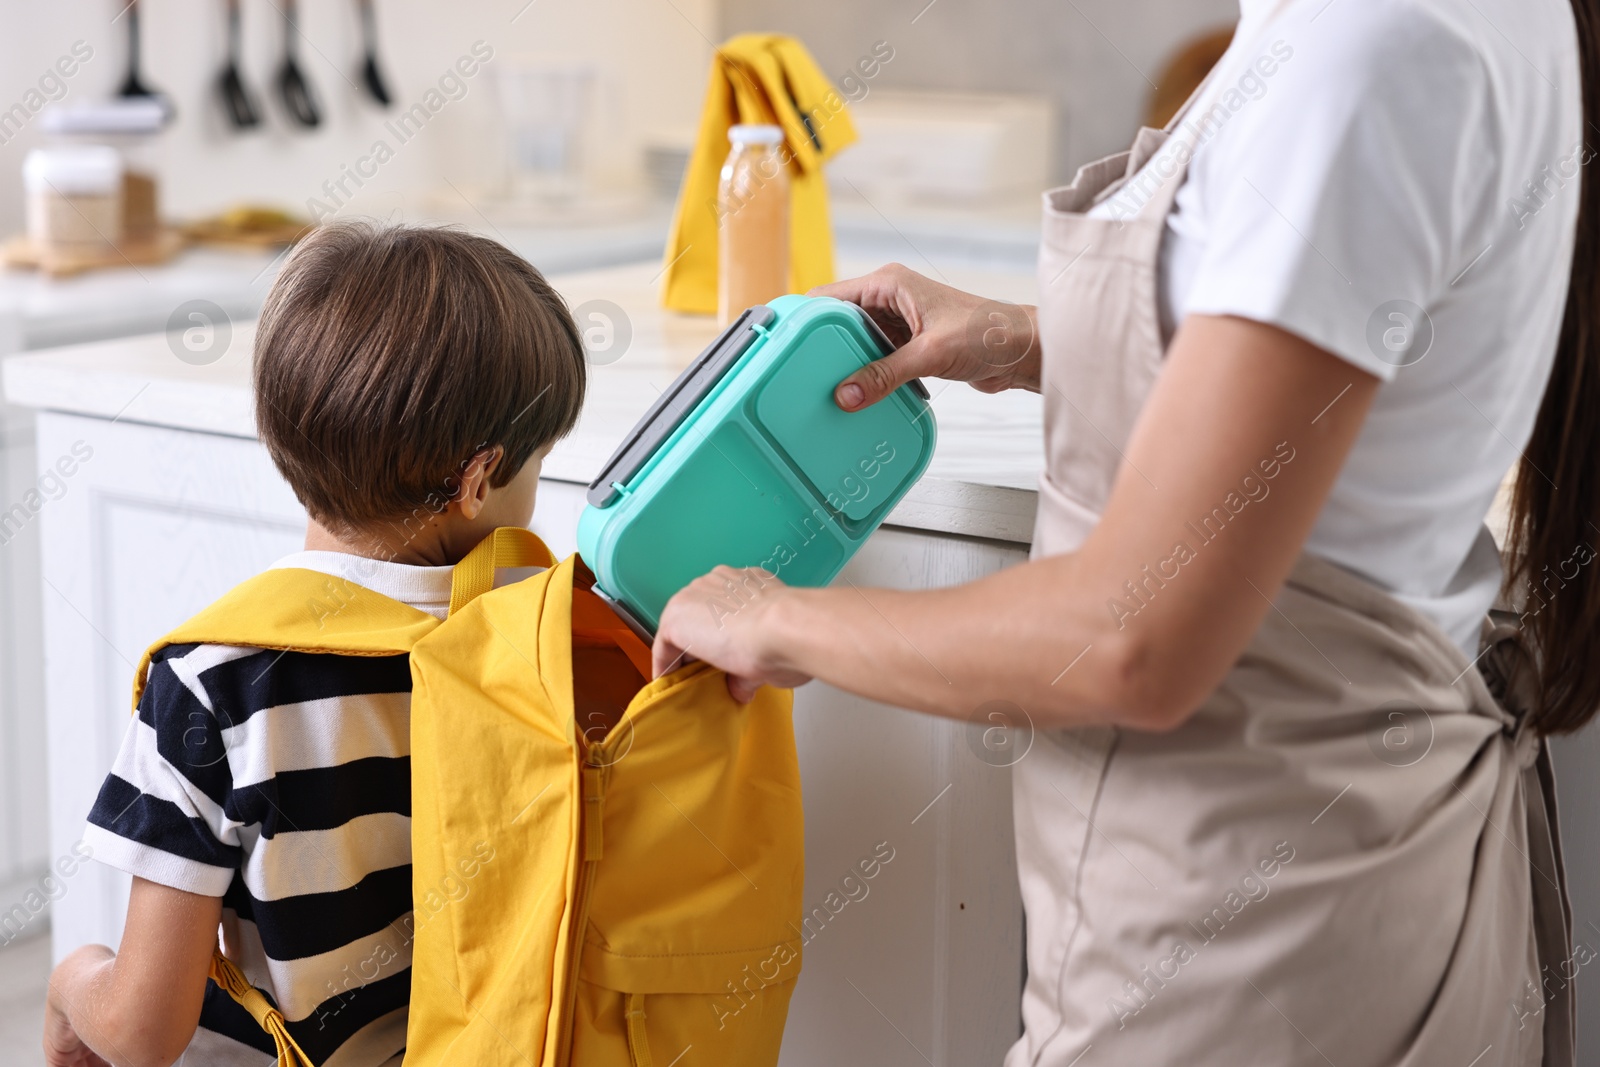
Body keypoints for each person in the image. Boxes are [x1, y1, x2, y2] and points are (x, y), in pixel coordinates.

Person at [652, 0, 1596, 1062]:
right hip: (1325, 886)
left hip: (1249, 934)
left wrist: (772, 618)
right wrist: (1018, 341)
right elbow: (1338, 380)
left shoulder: (1371, 45)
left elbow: (1133, 639)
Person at [43, 223, 587, 1067]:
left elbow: (145, 1032)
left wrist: (73, 977)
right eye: (537, 465)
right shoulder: (532, 647)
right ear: (477, 481)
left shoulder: (213, 689)